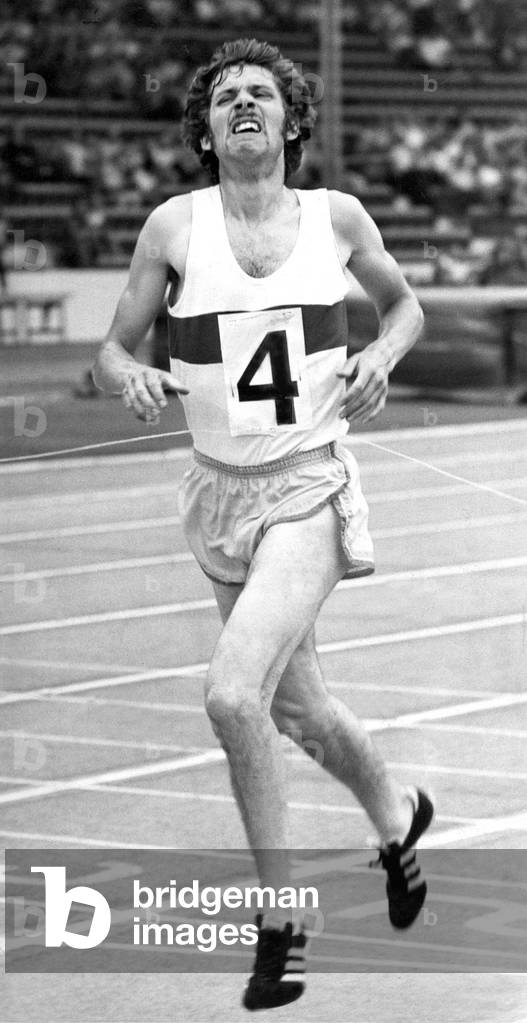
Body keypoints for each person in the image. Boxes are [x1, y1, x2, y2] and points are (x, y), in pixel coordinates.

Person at [93, 38, 431, 1011]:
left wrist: (379, 358)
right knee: (298, 708)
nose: (244, 104)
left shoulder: (336, 217)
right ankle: (397, 816)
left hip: (308, 486)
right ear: (203, 129)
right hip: (219, 496)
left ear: (290, 121)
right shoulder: (172, 226)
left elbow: (401, 308)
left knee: (234, 696)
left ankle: (279, 922)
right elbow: (112, 350)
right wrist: (133, 376)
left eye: (261, 94)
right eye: (226, 97)